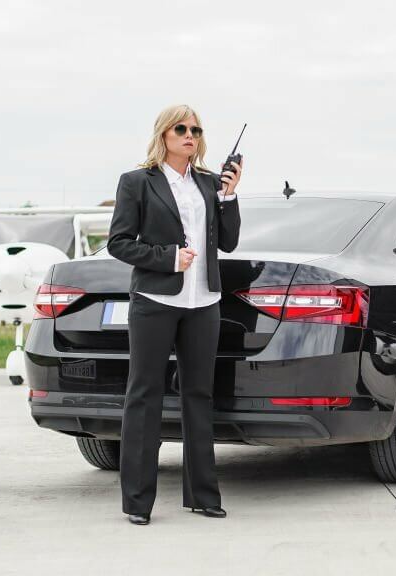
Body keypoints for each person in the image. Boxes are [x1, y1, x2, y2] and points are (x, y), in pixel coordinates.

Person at [107, 104, 243, 524]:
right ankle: (137, 502)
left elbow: (230, 243)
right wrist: (168, 258)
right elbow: (119, 243)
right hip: (156, 300)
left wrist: (229, 196)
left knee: (199, 396)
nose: (190, 135)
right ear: (164, 134)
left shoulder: (207, 183)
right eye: (181, 128)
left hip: (204, 302)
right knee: (144, 396)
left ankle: (203, 495)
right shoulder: (137, 182)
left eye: (196, 129)